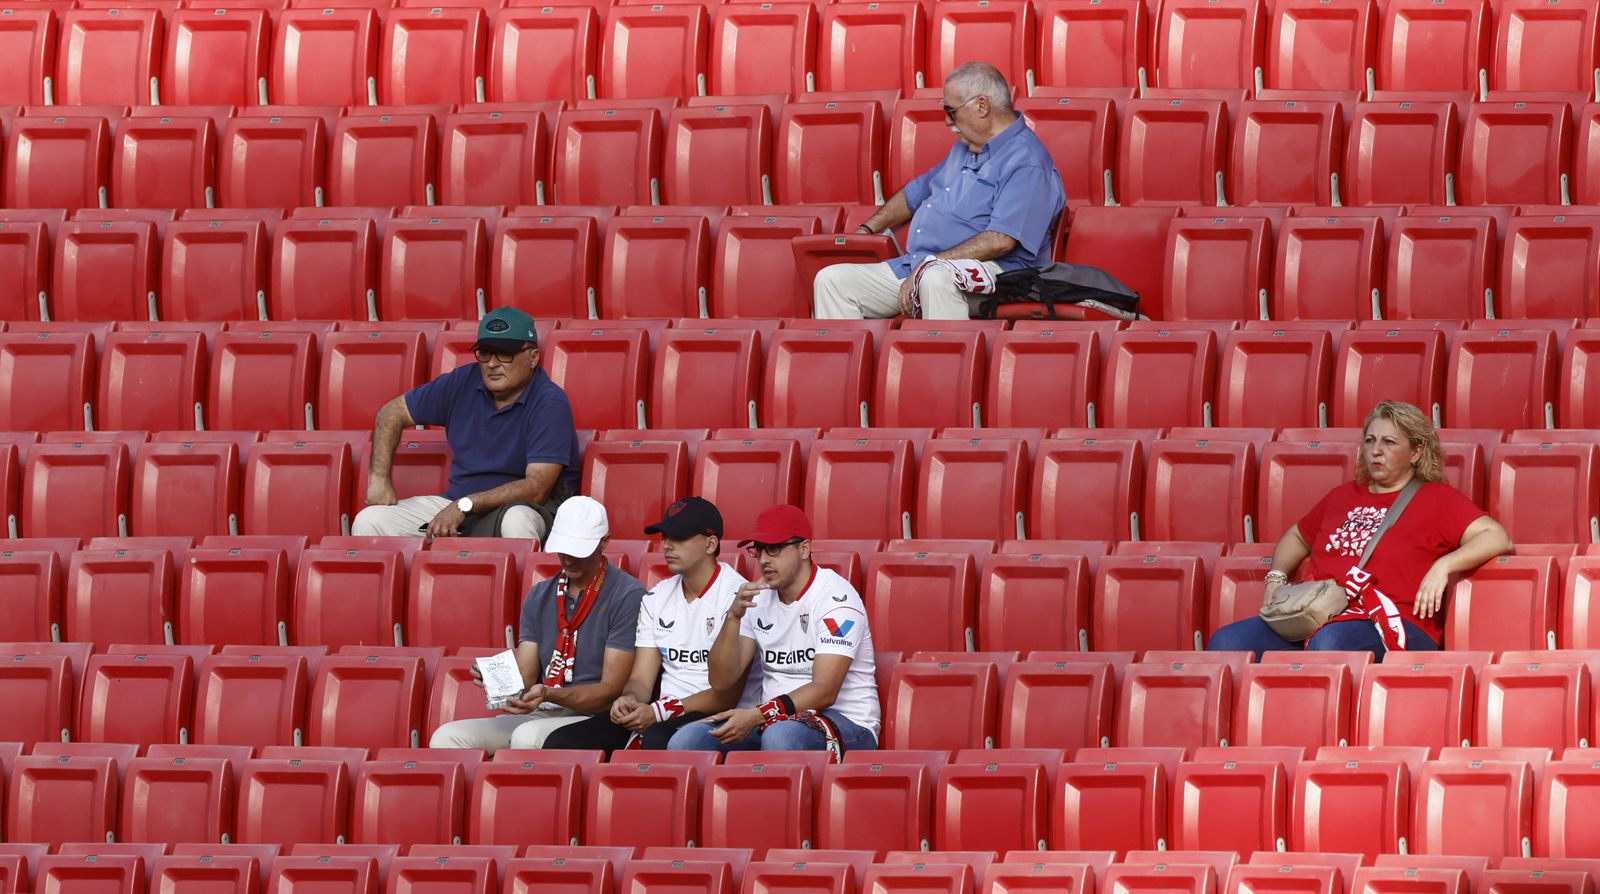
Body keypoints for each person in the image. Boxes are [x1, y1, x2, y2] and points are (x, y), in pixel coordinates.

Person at [1208, 400, 1512, 658]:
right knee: (1226, 642)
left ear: (1417, 452)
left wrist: (1444, 565)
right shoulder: (1343, 496)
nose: (1376, 451)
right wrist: (1275, 577)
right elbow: (1297, 536)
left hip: (1393, 623)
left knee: (1329, 643)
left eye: (1389, 442)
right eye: (1370, 440)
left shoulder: (1436, 499)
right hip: (1319, 614)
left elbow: (1496, 536)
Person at [812, 61, 1065, 321]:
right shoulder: (965, 148)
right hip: (919, 264)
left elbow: (1001, 240)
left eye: (951, 111)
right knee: (832, 281)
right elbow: (915, 193)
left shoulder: (1028, 160)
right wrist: (867, 230)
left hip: (1000, 275)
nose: (946, 122)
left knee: (936, 279)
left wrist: (930, 265)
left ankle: (943, 361)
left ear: (981, 106)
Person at [543, 497, 762, 754]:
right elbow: (640, 680)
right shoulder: (657, 597)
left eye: (679, 538)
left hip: (718, 716)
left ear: (710, 544)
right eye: (665, 537)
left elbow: (725, 696)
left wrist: (658, 711)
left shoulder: (740, 597)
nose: (667, 546)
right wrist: (629, 700)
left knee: (658, 739)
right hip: (663, 714)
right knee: (561, 743)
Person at [429, 496, 647, 751]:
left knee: (527, 736)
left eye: (578, 550)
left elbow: (610, 691)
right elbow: (526, 675)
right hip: (545, 708)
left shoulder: (628, 595)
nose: (568, 558)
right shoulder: (540, 594)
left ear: (604, 543)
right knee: (447, 737)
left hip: (595, 716)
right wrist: (498, 681)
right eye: (563, 548)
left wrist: (549, 693)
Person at [668, 504, 880, 758]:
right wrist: (733, 617)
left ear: (804, 549)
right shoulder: (757, 598)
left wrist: (759, 715)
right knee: (687, 740)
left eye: (774, 548)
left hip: (847, 723)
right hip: (773, 719)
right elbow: (722, 680)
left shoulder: (836, 599)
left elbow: (825, 690)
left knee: (780, 736)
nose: (764, 559)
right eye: (758, 550)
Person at [352, 306, 581, 541]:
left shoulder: (550, 402)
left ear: (533, 357)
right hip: (458, 504)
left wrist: (467, 504)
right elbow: (391, 412)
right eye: (485, 353)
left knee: (518, 521)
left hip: (518, 508)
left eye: (505, 353)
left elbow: (537, 489)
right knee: (370, 520)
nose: (492, 364)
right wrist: (379, 478)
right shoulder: (463, 381)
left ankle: (522, 579)